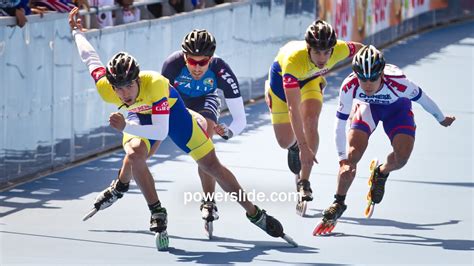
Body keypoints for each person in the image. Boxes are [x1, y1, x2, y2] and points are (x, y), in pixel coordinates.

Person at [68, 7, 289, 244]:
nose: (124, 94)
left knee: (212, 165)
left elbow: (161, 131)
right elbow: (90, 59)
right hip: (138, 117)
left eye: (129, 87)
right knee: (135, 153)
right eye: (118, 89)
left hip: (173, 114)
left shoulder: (156, 83)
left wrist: (124, 128)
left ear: (138, 79)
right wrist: (76, 33)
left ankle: (255, 213)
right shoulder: (106, 88)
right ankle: (156, 210)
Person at [313, 45, 455, 235]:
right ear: (356, 75)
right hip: (367, 108)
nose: (368, 84)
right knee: (351, 156)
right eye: (363, 79)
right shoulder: (349, 86)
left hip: (397, 110)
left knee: (402, 158)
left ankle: (382, 172)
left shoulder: (400, 83)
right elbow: (339, 124)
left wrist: (441, 118)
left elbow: (424, 99)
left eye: (373, 78)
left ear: (381, 73)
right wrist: (342, 160)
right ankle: (338, 202)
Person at [264, 19, 363, 214]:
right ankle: (293, 147)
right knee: (285, 141)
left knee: (311, 120)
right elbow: (293, 108)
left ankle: (304, 181)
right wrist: (302, 146)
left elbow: (365, 51)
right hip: (281, 87)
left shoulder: (340, 49)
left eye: (327, 52)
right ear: (308, 48)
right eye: (317, 52)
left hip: (310, 81)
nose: (323, 58)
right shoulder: (294, 59)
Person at [161, 29, 246, 224]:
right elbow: (159, 100)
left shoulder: (221, 70)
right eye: (192, 61)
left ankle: (208, 201)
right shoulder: (171, 65)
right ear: (184, 57)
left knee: (205, 139)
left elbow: (240, 119)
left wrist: (229, 131)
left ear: (211, 59)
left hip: (205, 100)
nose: (197, 68)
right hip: (178, 103)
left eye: (203, 62)